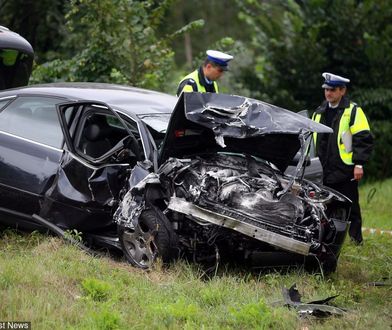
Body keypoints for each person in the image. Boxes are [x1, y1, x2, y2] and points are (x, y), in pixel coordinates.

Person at [312, 72, 373, 245]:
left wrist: (359, 164)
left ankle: (355, 240)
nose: (328, 93)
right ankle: (326, 240)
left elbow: (363, 138)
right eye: (326, 90)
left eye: (332, 90)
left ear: (342, 91)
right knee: (324, 206)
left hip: (346, 168)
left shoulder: (353, 111)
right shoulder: (319, 111)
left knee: (350, 206)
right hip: (323, 168)